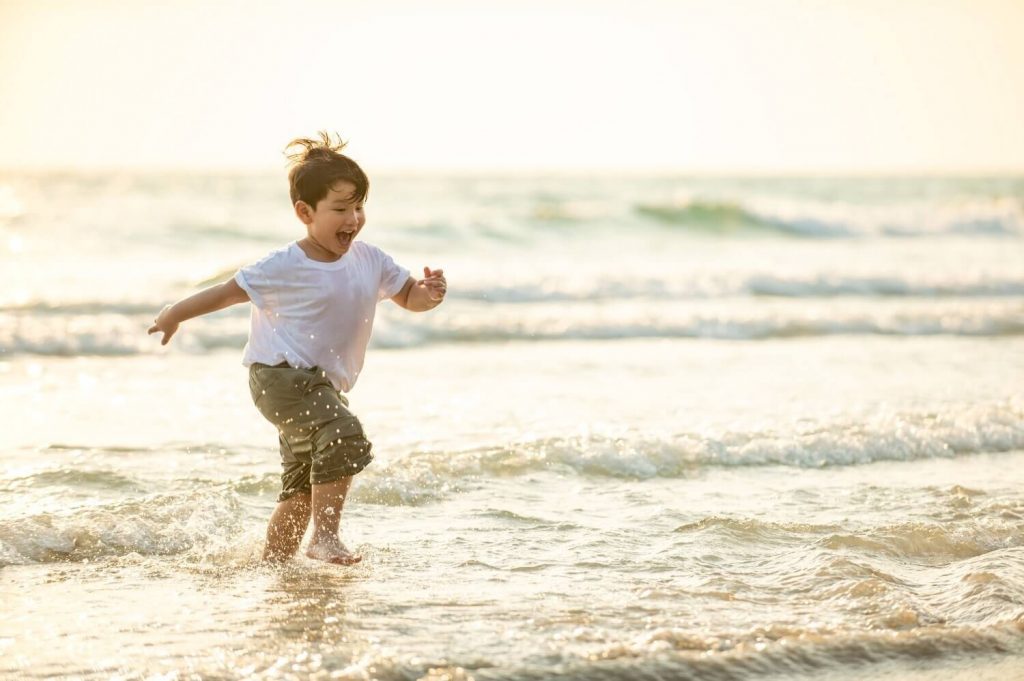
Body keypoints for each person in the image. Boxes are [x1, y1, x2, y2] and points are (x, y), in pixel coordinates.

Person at [148, 132, 446, 565]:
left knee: (304, 483)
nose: (354, 219)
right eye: (340, 209)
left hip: (319, 385)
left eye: (359, 206)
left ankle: (275, 567)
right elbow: (227, 293)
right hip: (280, 377)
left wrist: (431, 293)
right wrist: (174, 312)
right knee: (343, 435)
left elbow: (410, 298)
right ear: (305, 212)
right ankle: (324, 539)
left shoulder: (371, 259)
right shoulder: (285, 264)